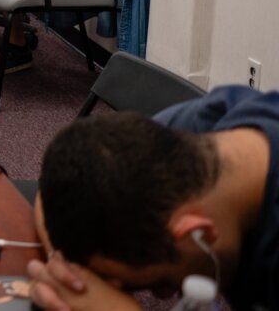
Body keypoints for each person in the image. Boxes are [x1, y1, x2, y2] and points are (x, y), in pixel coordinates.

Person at [28, 86, 279, 311]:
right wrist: (72, 276)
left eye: (162, 281)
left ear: (199, 231)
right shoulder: (205, 122)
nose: (164, 295)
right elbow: (64, 191)